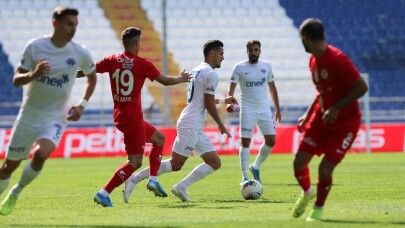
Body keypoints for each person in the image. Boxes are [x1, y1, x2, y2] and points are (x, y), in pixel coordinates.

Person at [0, 7, 97, 216]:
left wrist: (82, 105)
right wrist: (34, 73)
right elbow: (16, 80)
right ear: (55, 22)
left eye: (76, 25)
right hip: (29, 115)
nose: (73, 29)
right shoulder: (35, 47)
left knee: (41, 154)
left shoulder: (80, 52)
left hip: (55, 117)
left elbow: (92, 77)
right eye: (69, 24)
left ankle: (16, 192)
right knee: (8, 167)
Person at [122, 40, 238, 203]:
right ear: (212, 53)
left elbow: (202, 100)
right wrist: (220, 125)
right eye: (221, 54)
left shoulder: (197, 70)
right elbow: (207, 103)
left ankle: (181, 186)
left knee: (214, 162)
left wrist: (224, 101)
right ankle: (134, 179)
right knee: (176, 164)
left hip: (193, 122)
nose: (223, 58)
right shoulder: (211, 74)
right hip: (191, 123)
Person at [92, 27, 191, 207]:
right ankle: (104, 192)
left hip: (122, 117)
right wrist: (182, 78)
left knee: (160, 138)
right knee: (135, 162)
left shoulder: (111, 60)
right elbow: (166, 81)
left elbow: (89, 70)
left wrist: (66, 75)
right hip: (132, 119)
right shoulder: (142, 64)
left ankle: (153, 179)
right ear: (137, 43)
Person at [292, 18, 368, 221]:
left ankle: (318, 209)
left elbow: (362, 86)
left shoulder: (337, 59)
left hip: (345, 123)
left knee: (324, 168)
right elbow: (322, 91)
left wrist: (335, 108)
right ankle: (308, 192)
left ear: (305, 39)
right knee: (299, 163)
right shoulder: (313, 60)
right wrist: (308, 115)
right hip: (321, 119)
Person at [226, 40, 281, 184]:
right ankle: (244, 177)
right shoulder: (239, 67)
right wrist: (229, 99)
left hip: (264, 109)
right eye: (251, 50)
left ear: (260, 51)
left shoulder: (266, 66)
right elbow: (231, 87)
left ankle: (255, 167)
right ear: (247, 52)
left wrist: (278, 109)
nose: (253, 53)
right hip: (247, 109)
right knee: (245, 142)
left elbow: (272, 88)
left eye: (256, 50)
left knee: (271, 140)